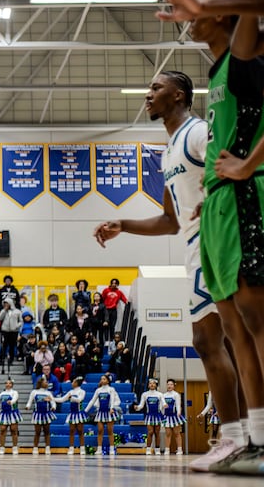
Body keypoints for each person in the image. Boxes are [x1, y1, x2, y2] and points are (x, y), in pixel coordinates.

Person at [94, 65, 261, 471]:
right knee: (218, 343)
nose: (148, 94)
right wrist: (124, 225)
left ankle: (237, 438)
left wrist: (218, 203)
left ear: (180, 96)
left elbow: (235, 166)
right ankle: (243, 439)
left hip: (216, 238)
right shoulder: (167, 151)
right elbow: (171, 220)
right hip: (192, 247)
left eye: (156, 88)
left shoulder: (200, 133)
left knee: (212, 340)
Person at [85, 374, 121, 455]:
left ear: (108, 381)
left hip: (109, 412)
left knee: (110, 431)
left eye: (104, 379)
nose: (102, 380)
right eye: (101, 379)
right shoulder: (98, 390)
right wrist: (85, 410)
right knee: (100, 430)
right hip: (100, 412)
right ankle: (99, 449)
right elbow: (92, 401)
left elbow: (112, 399)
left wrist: (112, 408)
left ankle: (112, 449)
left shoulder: (111, 389)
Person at [54, 377, 87, 455]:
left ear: (77, 383)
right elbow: (62, 399)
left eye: (73, 382)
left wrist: (71, 397)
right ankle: (71, 448)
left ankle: (82, 448)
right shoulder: (71, 392)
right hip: (72, 413)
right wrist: (52, 398)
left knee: (80, 431)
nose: (72, 383)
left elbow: (79, 400)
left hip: (79, 413)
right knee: (71, 431)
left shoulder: (82, 391)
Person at [133, 378, 165, 456]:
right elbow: (141, 405)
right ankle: (148, 449)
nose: (152, 385)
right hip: (149, 415)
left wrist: (164, 405)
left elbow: (163, 403)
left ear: (156, 385)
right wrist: (137, 407)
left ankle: (157, 449)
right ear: (148, 385)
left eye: (153, 383)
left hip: (157, 415)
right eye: (150, 383)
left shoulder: (160, 394)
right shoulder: (145, 394)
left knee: (157, 433)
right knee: (150, 432)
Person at [25, 377, 56, 455]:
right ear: (41, 383)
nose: (47, 383)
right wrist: (27, 406)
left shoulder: (48, 393)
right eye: (45, 382)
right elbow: (30, 401)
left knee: (47, 431)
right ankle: (35, 447)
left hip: (46, 414)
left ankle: (47, 447)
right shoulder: (34, 392)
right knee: (37, 432)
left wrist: (53, 407)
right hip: (37, 414)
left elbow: (53, 402)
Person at [162, 378, 186, 455]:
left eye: (171, 384)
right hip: (166, 417)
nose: (169, 386)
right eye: (168, 384)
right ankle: (167, 450)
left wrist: (179, 412)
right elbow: (161, 406)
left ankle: (179, 449)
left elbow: (178, 405)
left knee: (176, 433)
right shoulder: (163, 395)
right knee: (168, 433)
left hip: (175, 416)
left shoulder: (176, 394)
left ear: (174, 386)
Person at [0, 299, 22, 374]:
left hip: (13, 331)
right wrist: (4, 310)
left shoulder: (17, 311)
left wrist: (16, 326)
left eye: (7, 303)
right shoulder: (3, 311)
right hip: (5, 331)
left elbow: (21, 321)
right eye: (4, 303)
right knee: (3, 346)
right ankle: (1, 360)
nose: (6, 305)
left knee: (12, 346)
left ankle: (11, 360)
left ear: (10, 303)